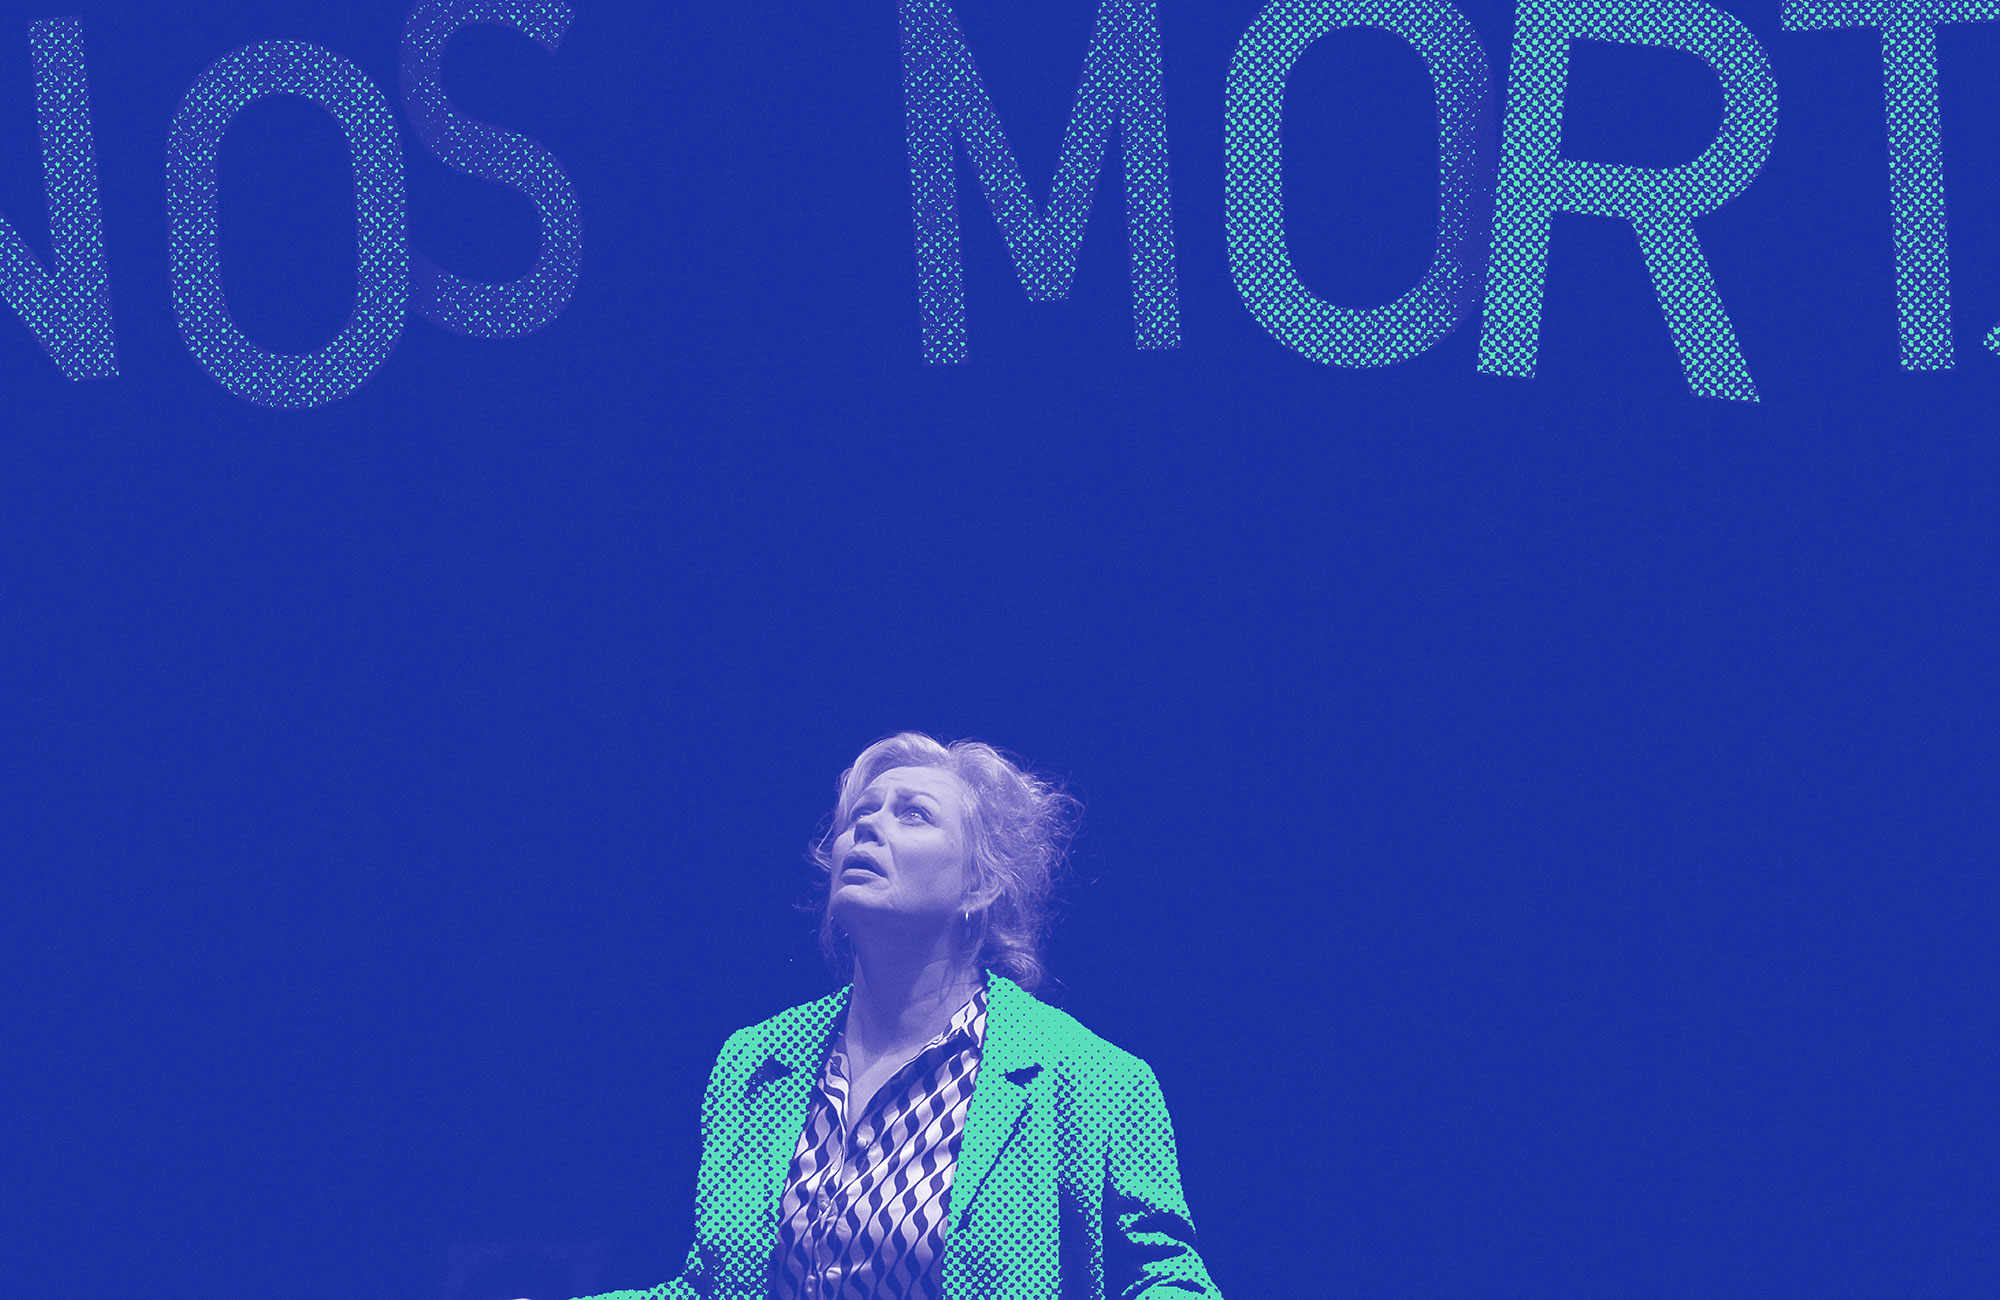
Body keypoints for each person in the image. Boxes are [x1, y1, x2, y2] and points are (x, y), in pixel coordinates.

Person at [584, 732, 1222, 1300]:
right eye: (860, 815)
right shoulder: (756, 1064)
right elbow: (713, 1288)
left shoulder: (1093, 1080)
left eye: (913, 814)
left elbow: (1161, 1279)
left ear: (979, 884)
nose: (867, 828)